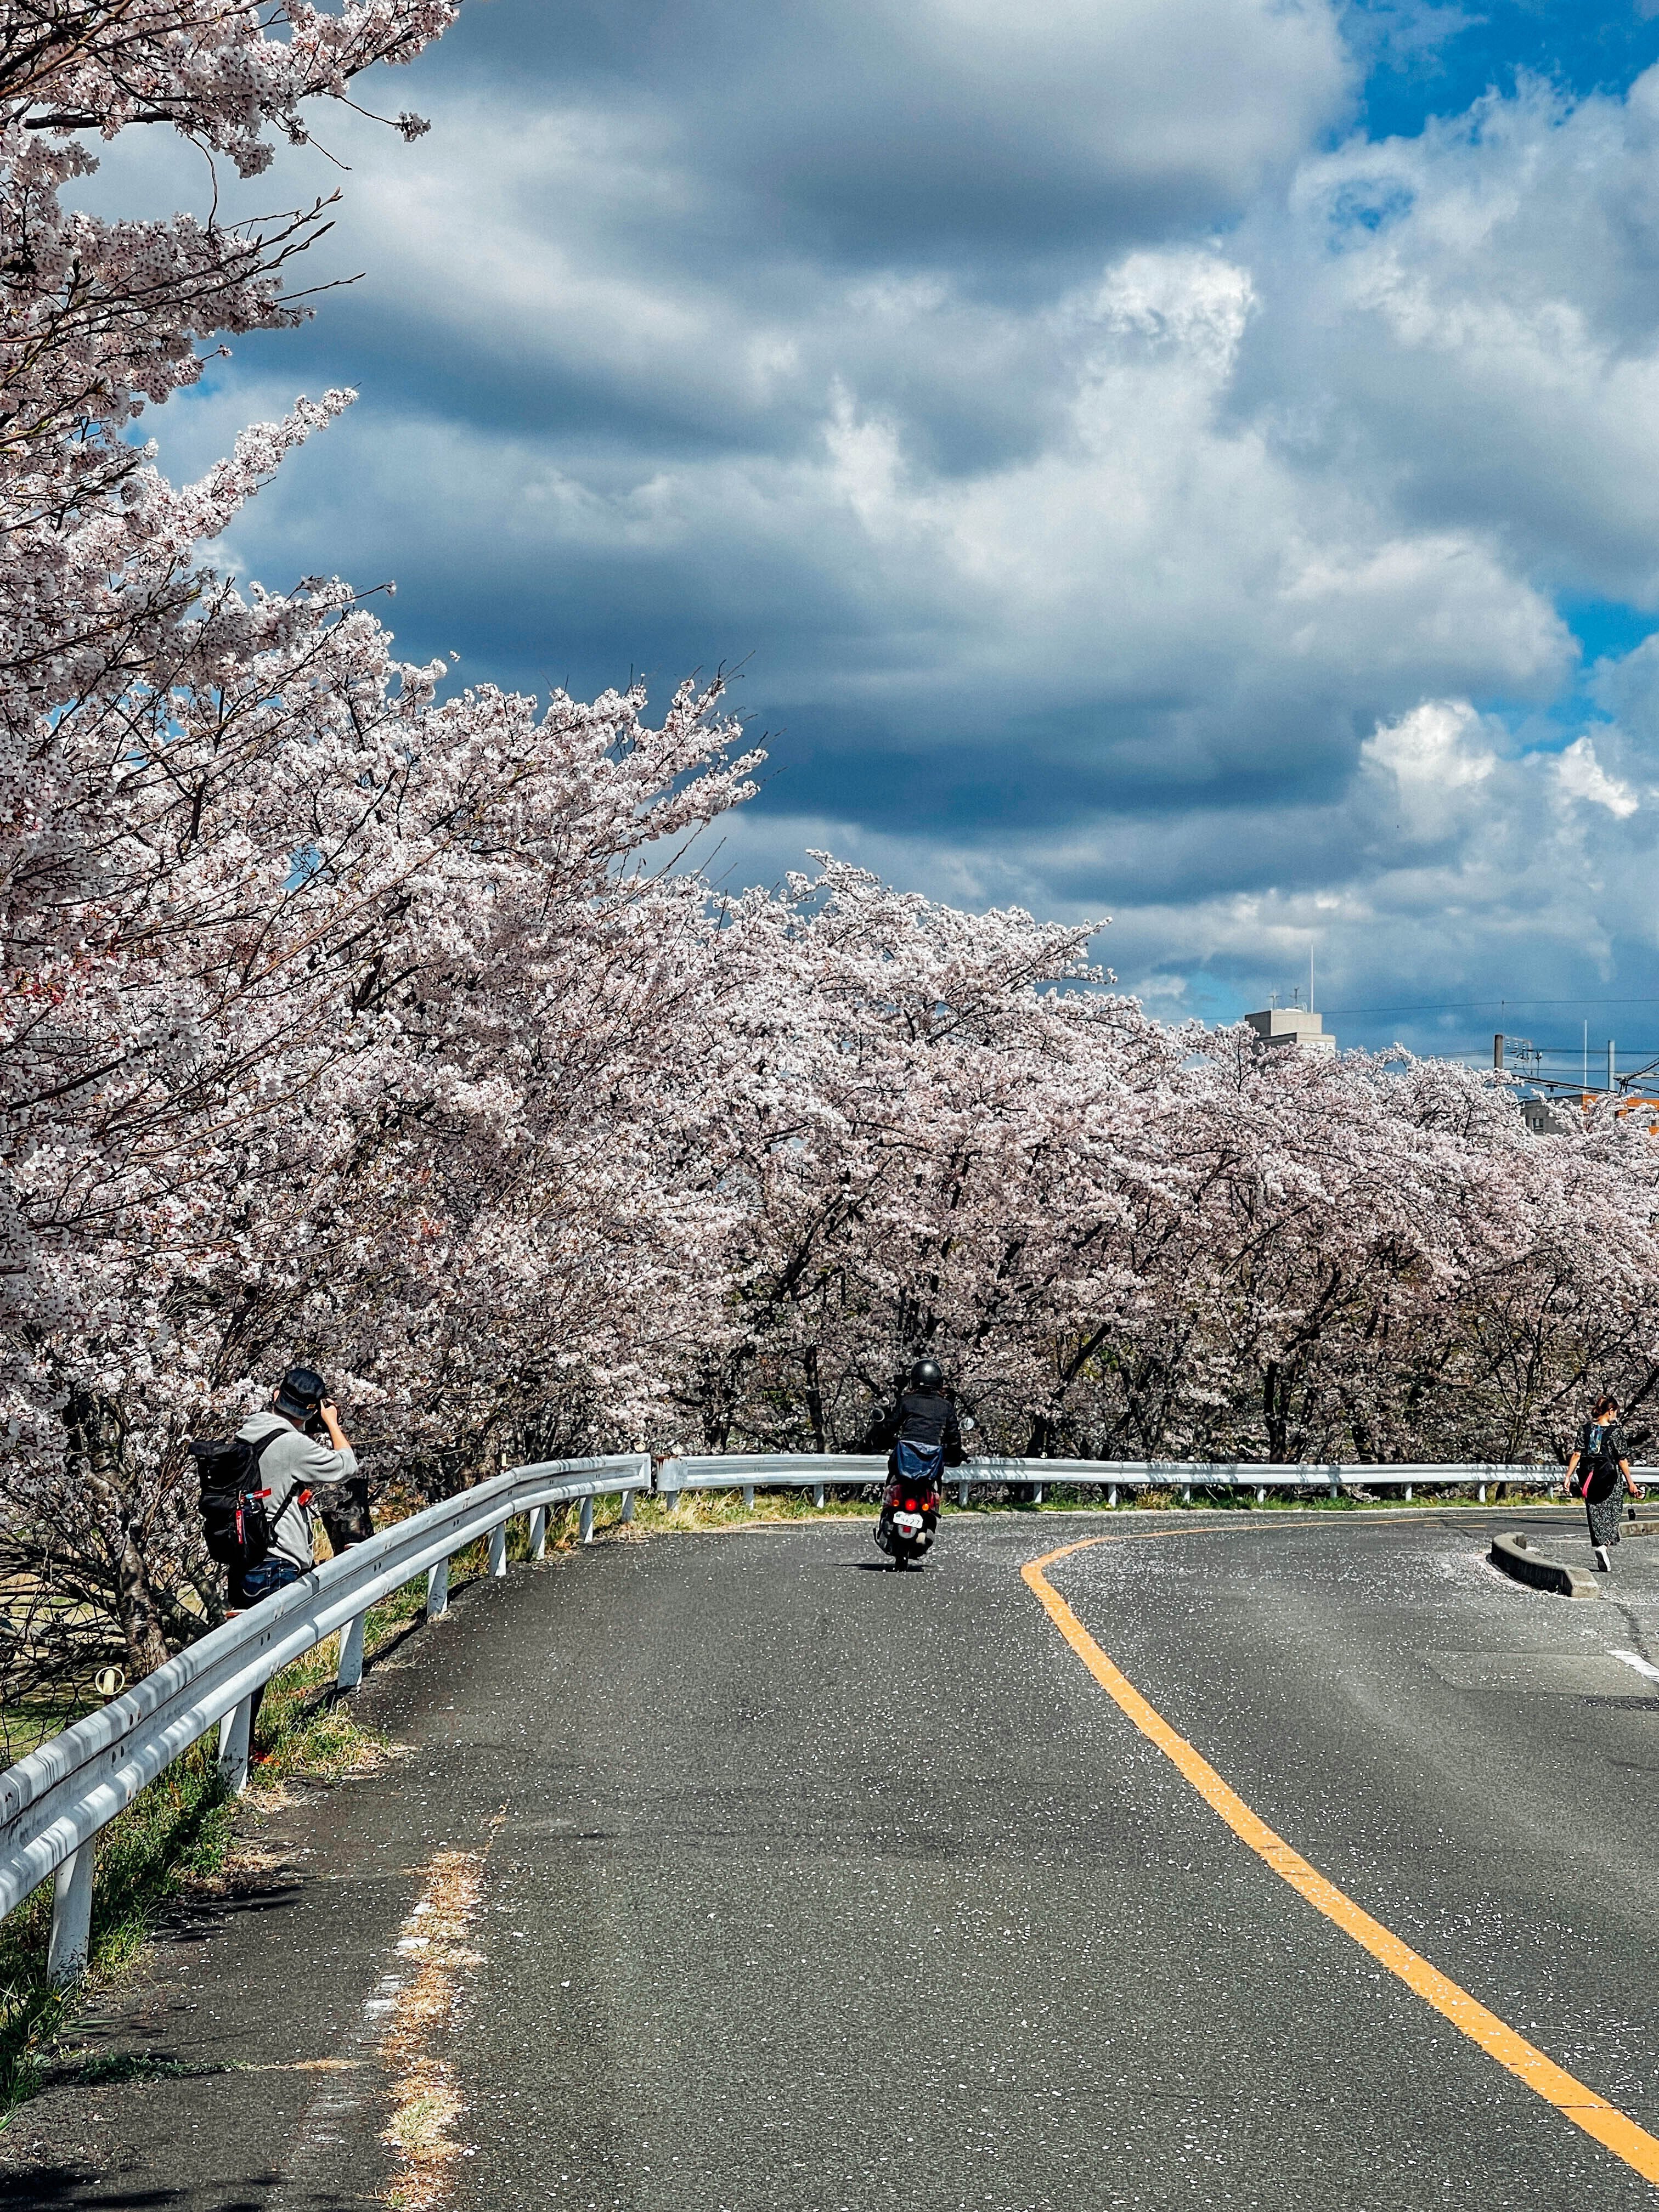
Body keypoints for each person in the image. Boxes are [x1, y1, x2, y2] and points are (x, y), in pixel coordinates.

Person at [1564, 1392, 1644, 1573]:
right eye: (1615, 1412)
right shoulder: (1614, 1432)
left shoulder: (1584, 1429)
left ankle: (1600, 1544)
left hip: (1589, 1478)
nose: (1616, 1416)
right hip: (1610, 1478)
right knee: (1613, 1514)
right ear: (1610, 1411)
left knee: (1595, 1513)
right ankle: (1604, 1546)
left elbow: (1577, 1454)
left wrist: (1568, 1476)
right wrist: (1631, 1483)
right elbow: (1622, 1459)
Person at [864, 1357, 965, 1472]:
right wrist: (955, 1454)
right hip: (931, 1464)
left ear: (913, 1381)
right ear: (939, 1382)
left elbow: (890, 1427)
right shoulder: (946, 1406)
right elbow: (954, 1437)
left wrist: (881, 1440)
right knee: (936, 1484)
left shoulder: (906, 1401)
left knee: (892, 1482)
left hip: (905, 1461)